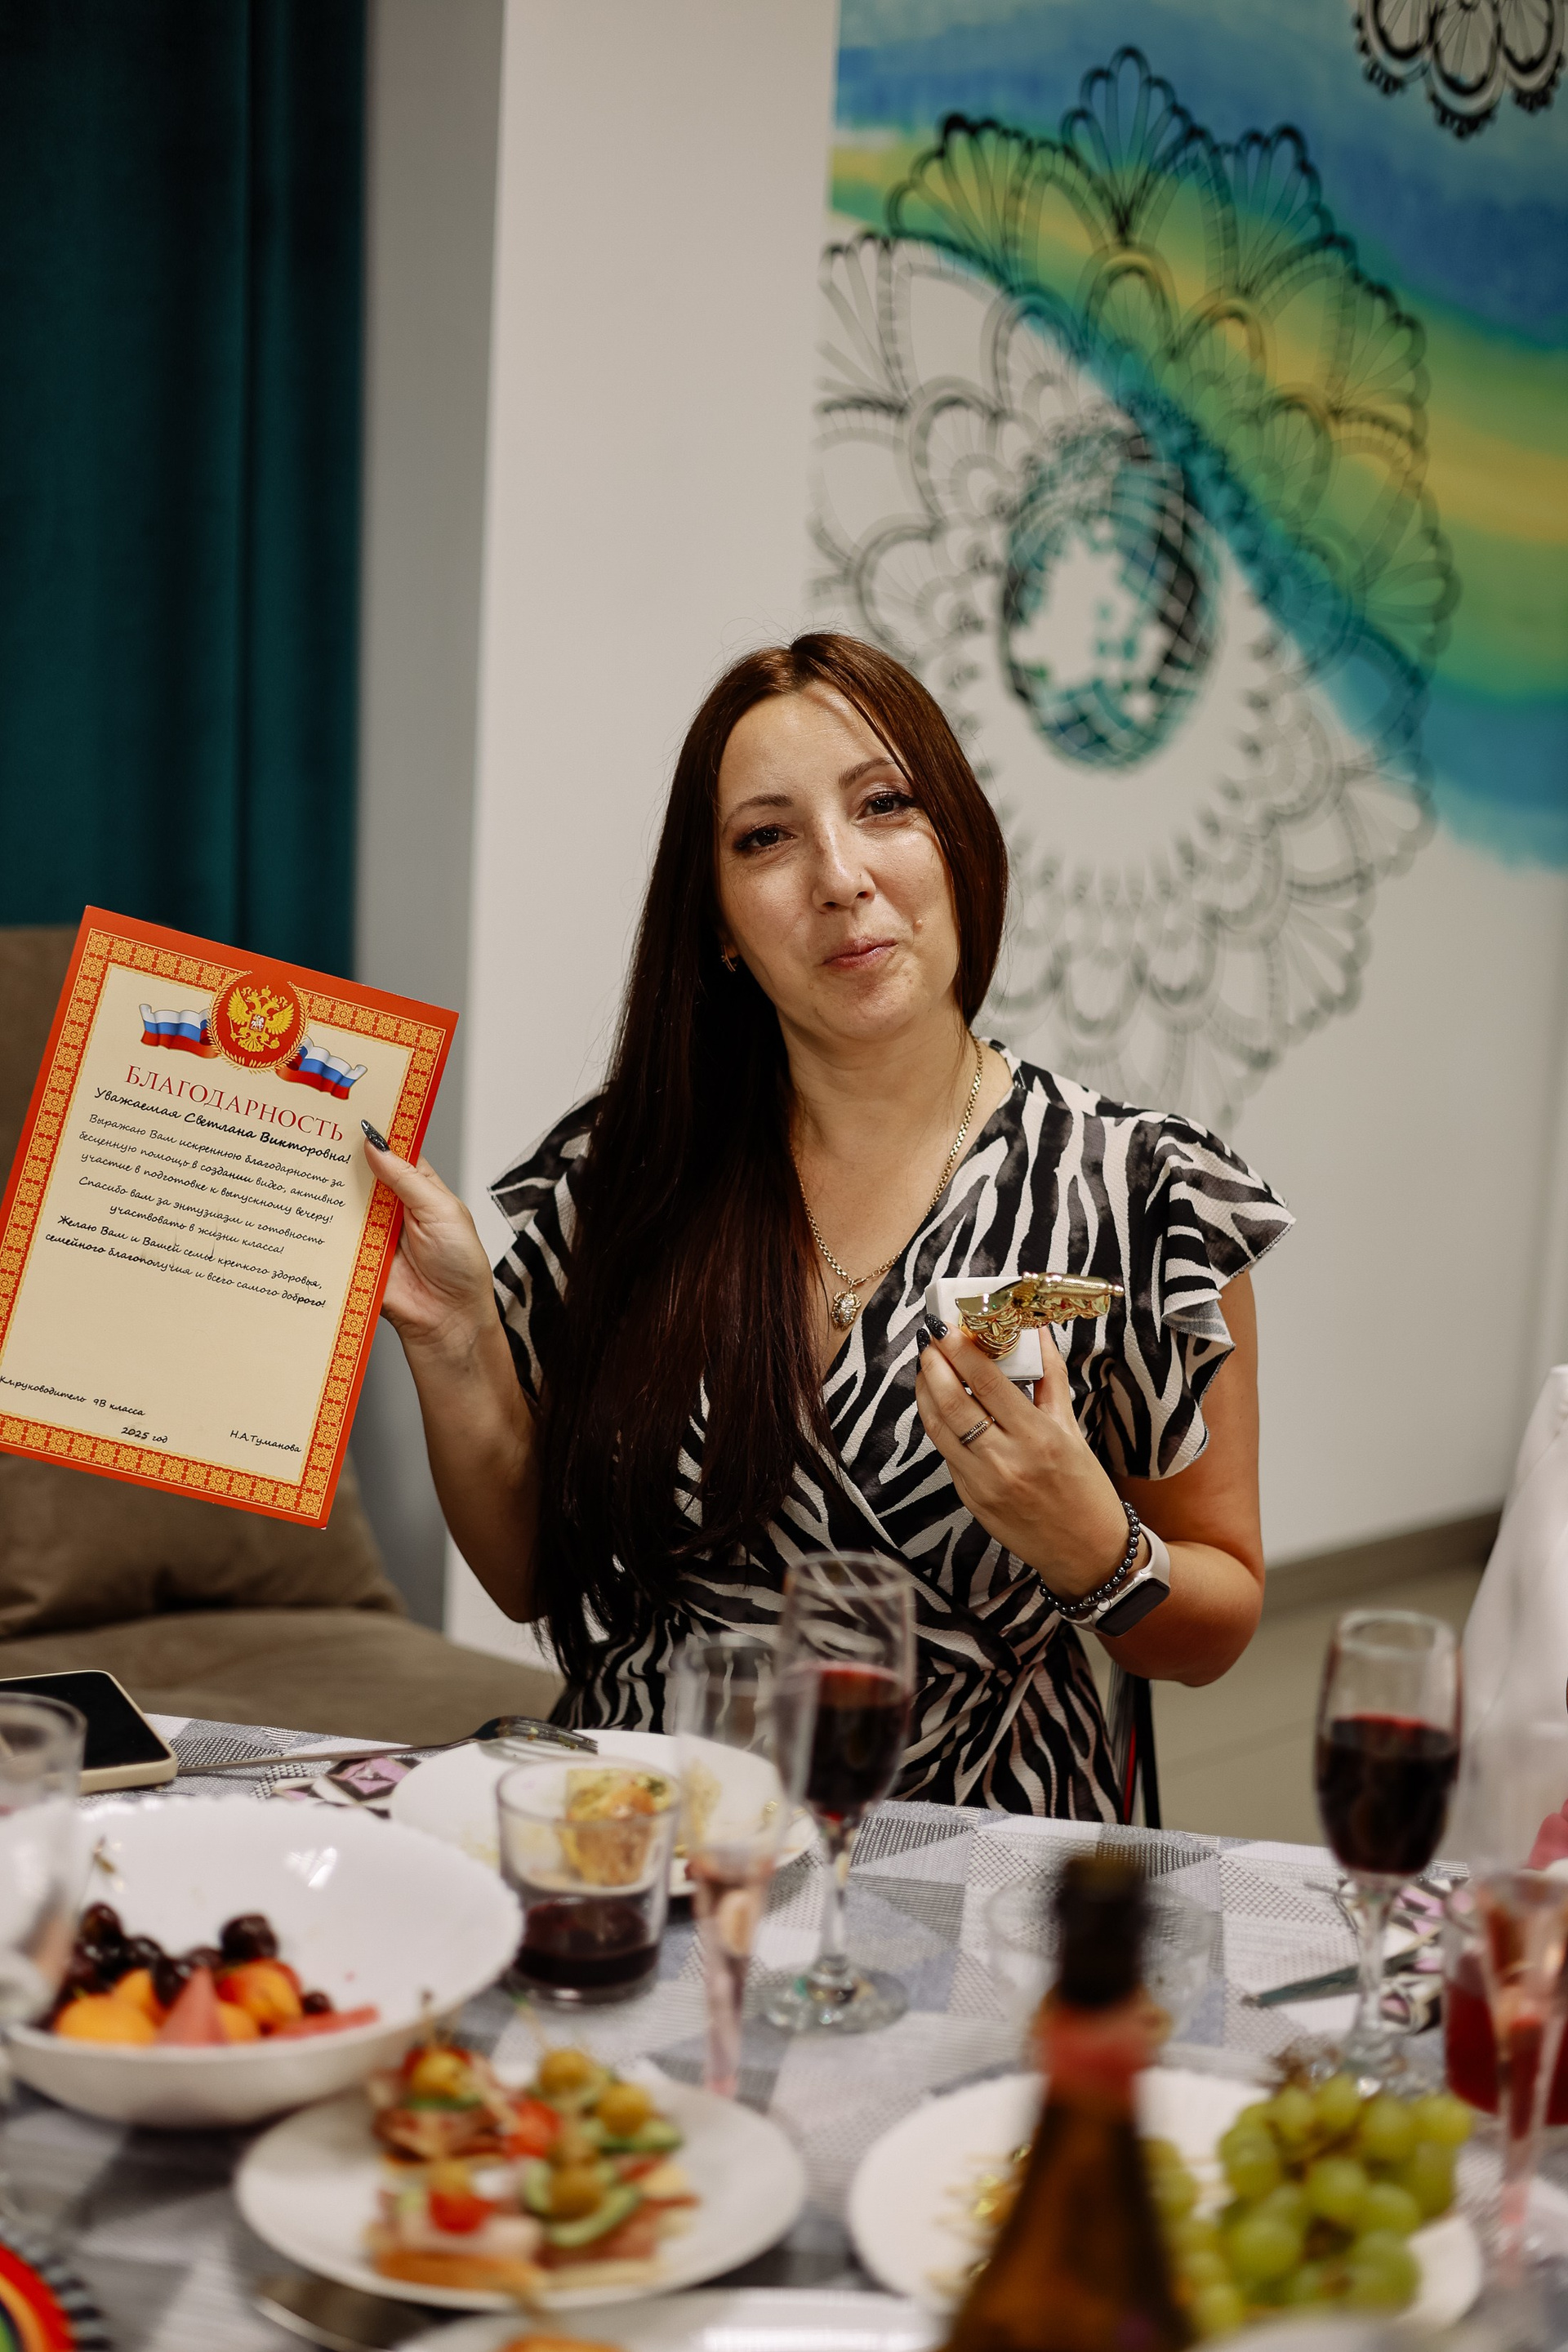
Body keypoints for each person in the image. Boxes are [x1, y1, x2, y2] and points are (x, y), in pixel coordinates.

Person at [368, 635, 1292, 1817]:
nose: (840, 875)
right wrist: (454, 1340)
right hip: (647, 1826)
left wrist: (1093, 1545)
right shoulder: (629, 1171)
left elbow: (1216, 1627)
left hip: (969, 1842)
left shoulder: (1138, 1192)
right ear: (718, 922)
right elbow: (531, 1577)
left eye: (884, 805)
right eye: (767, 837)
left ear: (960, 843)